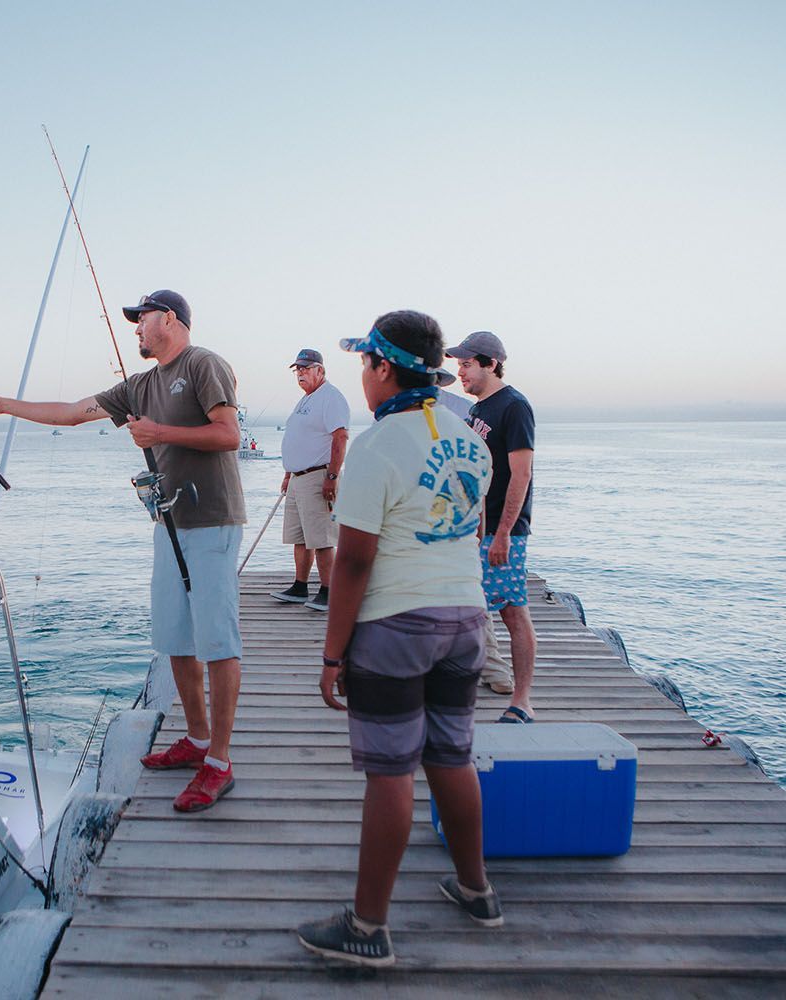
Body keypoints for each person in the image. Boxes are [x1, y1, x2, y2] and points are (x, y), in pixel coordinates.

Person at [0, 290, 247, 812]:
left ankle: (220, 763)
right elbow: (71, 413)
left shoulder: (205, 364)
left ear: (170, 319)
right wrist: (4, 405)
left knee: (217, 640)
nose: (136, 328)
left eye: (142, 319)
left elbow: (228, 434)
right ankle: (198, 740)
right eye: (134, 321)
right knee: (176, 639)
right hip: (169, 523)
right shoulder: (139, 385)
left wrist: (160, 432)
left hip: (211, 520)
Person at [295, 310, 499, 968]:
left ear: (383, 367)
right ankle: (477, 891)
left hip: (398, 624)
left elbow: (353, 563)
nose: (362, 377)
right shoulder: (472, 436)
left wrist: (332, 654)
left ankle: (368, 927)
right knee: (451, 756)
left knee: (390, 773)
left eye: (364, 364)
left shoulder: (377, 446)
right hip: (466, 618)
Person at [449, 331, 537, 722]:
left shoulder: (513, 407)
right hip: (474, 527)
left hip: (503, 531)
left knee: (513, 612)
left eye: (466, 364)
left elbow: (521, 475)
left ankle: (522, 701)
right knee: (471, 607)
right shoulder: (478, 410)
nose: (460, 372)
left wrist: (502, 534)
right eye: (459, 365)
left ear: (490, 363)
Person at [271, 348, 350, 612]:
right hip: (297, 477)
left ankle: (329, 591)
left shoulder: (330, 398)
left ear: (321, 371)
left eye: (306, 368)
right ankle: (300, 585)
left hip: (318, 475)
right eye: (298, 369)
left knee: (322, 537)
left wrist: (332, 476)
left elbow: (340, 438)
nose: (301, 373)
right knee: (300, 536)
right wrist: (287, 474)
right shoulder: (306, 399)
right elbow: (299, 439)